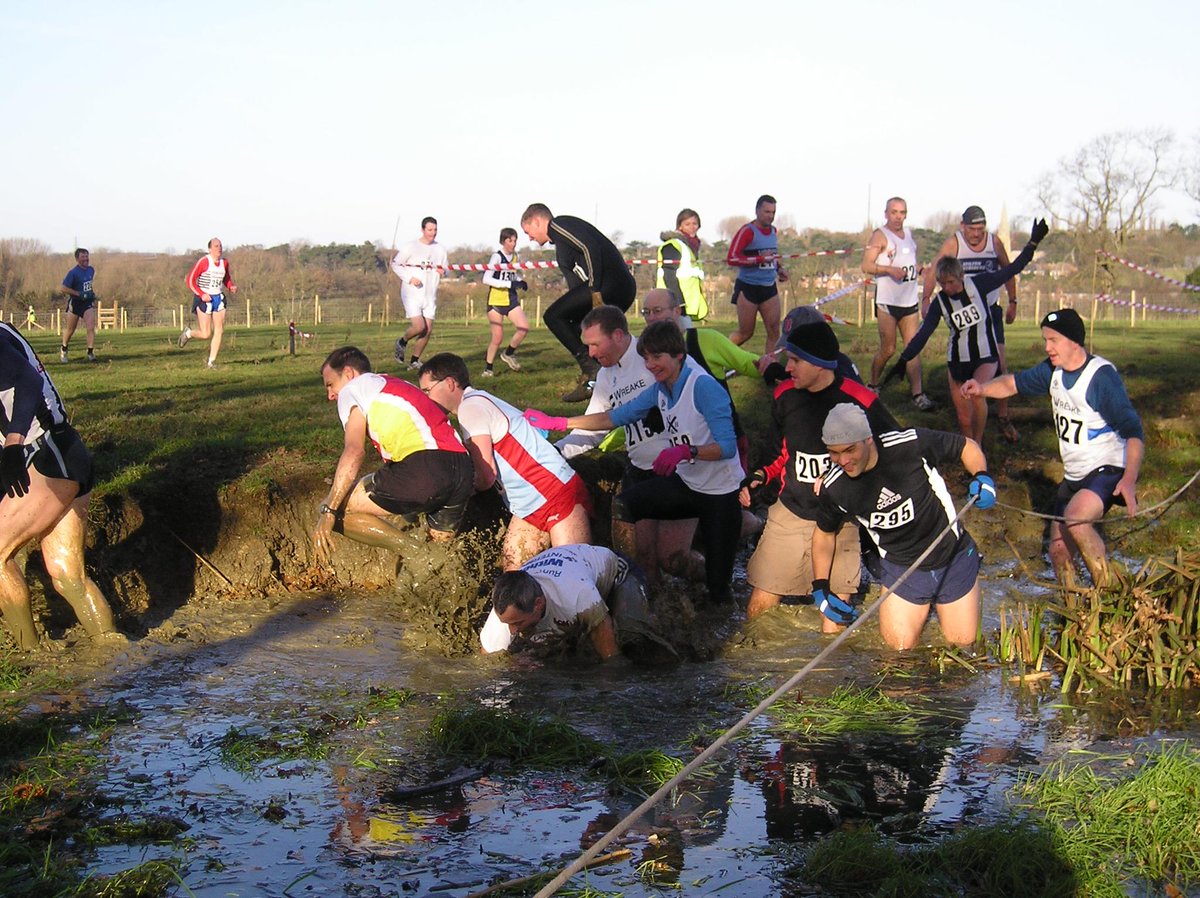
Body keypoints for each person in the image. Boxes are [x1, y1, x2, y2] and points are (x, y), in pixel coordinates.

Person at [526, 321, 743, 605]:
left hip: (720, 495)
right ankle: (626, 581)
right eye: (647, 358)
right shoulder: (661, 389)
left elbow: (727, 447)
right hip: (688, 486)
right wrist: (559, 422)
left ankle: (743, 536)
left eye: (657, 357)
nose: (651, 365)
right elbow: (615, 417)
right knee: (625, 504)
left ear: (679, 355)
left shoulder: (703, 387)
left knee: (720, 591)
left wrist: (685, 452)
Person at [961, 308, 1144, 588]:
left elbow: (1134, 432)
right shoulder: (1052, 371)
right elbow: (1011, 383)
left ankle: (1109, 596)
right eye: (1045, 339)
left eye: (1053, 340)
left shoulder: (1100, 377)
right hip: (1075, 475)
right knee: (1058, 552)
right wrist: (981, 389)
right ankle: (1074, 608)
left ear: (1073, 342)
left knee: (1077, 519)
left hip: (1107, 468)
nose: (1047, 347)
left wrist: (1129, 480)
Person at [742, 317, 898, 628]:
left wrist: (845, 477)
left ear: (819, 364)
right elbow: (777, 454)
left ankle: (830, 675)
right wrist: (758, 477)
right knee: (758, 610)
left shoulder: (861, 399)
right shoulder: (784, 395)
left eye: (796, 360)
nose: (788, 368)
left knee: (836, 614)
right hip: (791, 512)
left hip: (842, 519)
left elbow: (893, 452)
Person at [812, 404, 996, 650]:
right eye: (833, 453)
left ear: (868, 439)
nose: (843, 460)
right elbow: (824, 535)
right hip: (903, 572)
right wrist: (821, 588)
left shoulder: (910, 445)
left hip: (952, 559)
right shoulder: (834, 488)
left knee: (964, 650)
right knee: (898, 659)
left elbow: (966, 447)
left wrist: (981, 475)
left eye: (849, 450)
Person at [556, 305, 702, 582]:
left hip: (680, 471)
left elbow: (698, 393)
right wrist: (556, 451)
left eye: (595, 344)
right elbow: (594, 427)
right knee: (643, 558)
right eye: (587, 346)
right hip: (640, 472)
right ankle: (660, 618)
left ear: (620, 335)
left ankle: (721, 579)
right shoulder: (605, 376)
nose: (591, 354)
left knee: (672, 559)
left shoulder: (653, 358)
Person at [1, 322, 121, 650]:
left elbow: (28, 381)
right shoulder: (4, 330)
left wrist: (12, 444)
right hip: (66, 452)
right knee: (68, 577)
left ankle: (31, 654)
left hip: (43, 456)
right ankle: (117, 656)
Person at [418, 353, 592, 570]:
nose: (425, 398)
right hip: (528, 506)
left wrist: (459, 492)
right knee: (513, 575)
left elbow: (486, 476)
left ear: (450, 383)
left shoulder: (470, 409)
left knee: (574, 575)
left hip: (555, 493)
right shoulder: (478, 401)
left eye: (427, 390)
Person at [883, 219, 1049, 443]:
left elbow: (1012, 269)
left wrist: (1033, 242)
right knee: (963, 416)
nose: (948, 288)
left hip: (984, 356)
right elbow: (924, 333)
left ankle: (977, 444)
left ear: (961, 277)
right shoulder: (941, 301)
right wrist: (904, 359)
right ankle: (969, 445)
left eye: (951, 282)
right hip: (958, 360)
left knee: (976, 394)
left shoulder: (979, 285)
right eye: (943, 284)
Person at [313, 346, 475, 566]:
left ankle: (415, 552)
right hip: (463, 469)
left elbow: (354, 451)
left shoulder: (353, 390)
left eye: (330, 385)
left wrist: (329, 510)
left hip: (425, 467)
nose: (330, 395)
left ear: (349, 374)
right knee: (440, 566)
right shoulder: (396, 384)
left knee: (336, 508)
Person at [520, 203, 637, 403]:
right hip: (616, 286)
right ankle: (607, 377)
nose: (529, 237)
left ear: (537, 221)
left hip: (612, 283)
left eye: (527, 231)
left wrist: (595, 290)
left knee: (553, 316)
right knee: (575, 323)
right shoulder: (560, 244)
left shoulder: (559, 224)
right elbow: (575, 285)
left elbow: (589, 247)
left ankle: (591, 370)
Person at [923, 206, 1021, 442]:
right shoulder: (953, 244)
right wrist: (926, 299)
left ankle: (1004, 418)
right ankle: (968, 430)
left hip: (991, 311)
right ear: (962, 226)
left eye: (980, 229)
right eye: (972, 229)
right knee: (965, 368)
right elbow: (934, 269)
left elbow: (1008, 271)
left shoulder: (994, 243)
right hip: (966, 314)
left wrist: (1013, 301)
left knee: (1000, 364)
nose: (976, 234)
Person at [478, 544, 659, 659]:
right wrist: (513, 665)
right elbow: (489, 667)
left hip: (617, 573)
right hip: (570, 575)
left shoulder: (577, 595)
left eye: (518, 622)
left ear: (538, 604)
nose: (512, 630)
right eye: (507, 623)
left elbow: (612, 658)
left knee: (632, 637)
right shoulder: (505, 610)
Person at [862, 198, 931, 409]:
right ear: (886, 214)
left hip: (909, 300)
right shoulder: (880, 235)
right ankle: (873, 385)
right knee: (889, 349)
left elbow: (908, 262)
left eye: (902, 212)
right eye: (894, 212)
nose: (898, 216)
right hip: (888, 302)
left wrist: (920, 270)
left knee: (913, 348)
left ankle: (918, 395)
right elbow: (866, 265)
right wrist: (889, 270)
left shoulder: (908, 235)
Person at [726, 194, 789, 351]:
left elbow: (771, 257)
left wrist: (779, 269)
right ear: (757, 211)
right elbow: (732, 258)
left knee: (774, 331)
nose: (770, 216)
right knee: (746, 333)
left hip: (768, 287)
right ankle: (717, 358)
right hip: (748, 287)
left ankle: (770, 369)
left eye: (773, 212)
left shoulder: (774, 231)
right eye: (767, 212)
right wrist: (758, 259)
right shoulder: (748, 231)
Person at [391, 216, 449, 370]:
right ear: (423, 230)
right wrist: (410, 278)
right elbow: (395, 264)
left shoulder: (440, 249)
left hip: (430, 294)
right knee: (419, 326)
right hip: (412, 293)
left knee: (428, 329)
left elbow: (446, 269)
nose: (433, 233)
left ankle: (415, 360)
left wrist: (444, 272)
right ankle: (402, 341)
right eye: (430, 230)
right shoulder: (411, 247)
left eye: (435, 230)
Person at [179, 237, 237, 368]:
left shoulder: (225, 263)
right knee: (206, 334)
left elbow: (226, 278)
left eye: (220, 246)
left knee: (219, 330)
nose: (219, 248)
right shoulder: (204, 262)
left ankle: (211, 362)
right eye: (216, 246)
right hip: (204, 298)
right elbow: (190, 280)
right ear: (210, 249)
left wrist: (230, 286)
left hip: (218, 298)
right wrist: (201, 294)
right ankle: (188, 333)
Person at [480, 227, 530, 377]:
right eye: (510, 240)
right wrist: (509, 284)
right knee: (497, 337)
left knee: (524, 328)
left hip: (511, 300)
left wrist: (521, 281)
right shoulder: (497, 257)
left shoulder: (515, 257)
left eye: (515, 240)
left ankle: (508, 353)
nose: (513, 243)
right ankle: (488, 369)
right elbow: (486, 279)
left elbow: (512, 275)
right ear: (503, 241)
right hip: (496, 301)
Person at [657, 208, 707, 322]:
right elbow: (668, 275)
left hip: (687, 304)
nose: (692, 227)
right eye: (687, 224)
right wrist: (679, 303)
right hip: (673, 305)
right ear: (680, 226)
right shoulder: (673, 244)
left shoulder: (691, 247)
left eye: (695, 223)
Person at [60, 248, 99, 363]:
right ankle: (64, 348)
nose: (86, 259)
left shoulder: (91, 270)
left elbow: (87, 285)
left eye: (87, 256)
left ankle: (90, 352)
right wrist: (78, 294)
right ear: (77, 259)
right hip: (75, 304)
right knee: (70, 330)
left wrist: (90, 293)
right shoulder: (73, 273)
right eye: (83, 257)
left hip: (87, 303)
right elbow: (63, 288)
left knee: (91, 327)